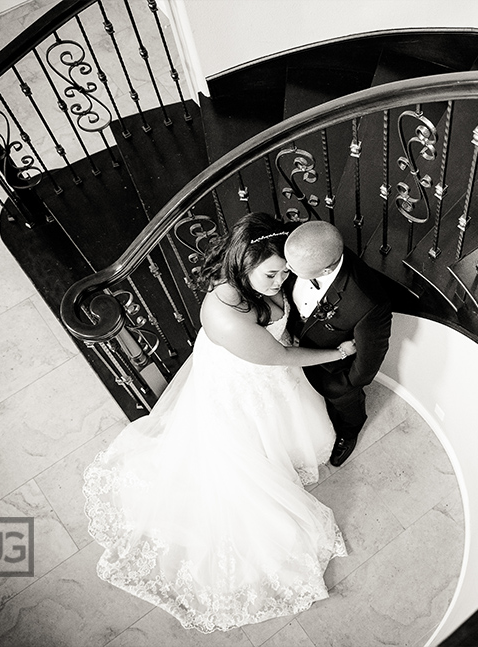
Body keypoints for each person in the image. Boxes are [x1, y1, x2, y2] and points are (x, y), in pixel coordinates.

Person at [82, 213, 353, 633]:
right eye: (271, 273)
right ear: (243, 265)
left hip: (264, 373)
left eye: (286, 271)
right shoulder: (227, 314)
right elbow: (279, 358)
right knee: (245, 449)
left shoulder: (260, 283)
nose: (280, 280)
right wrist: (337, 354)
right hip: (246, 383)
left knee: (286, 420)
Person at [284, 221, 393, 467]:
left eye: (293, 268)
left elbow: (370, 357)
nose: (286, 268)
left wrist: (346, 385)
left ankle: (350, 430)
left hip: (334, 371)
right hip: (297, 349)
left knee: (346, 406)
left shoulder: (368, 301)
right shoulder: (300, 249)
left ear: (324, 271)